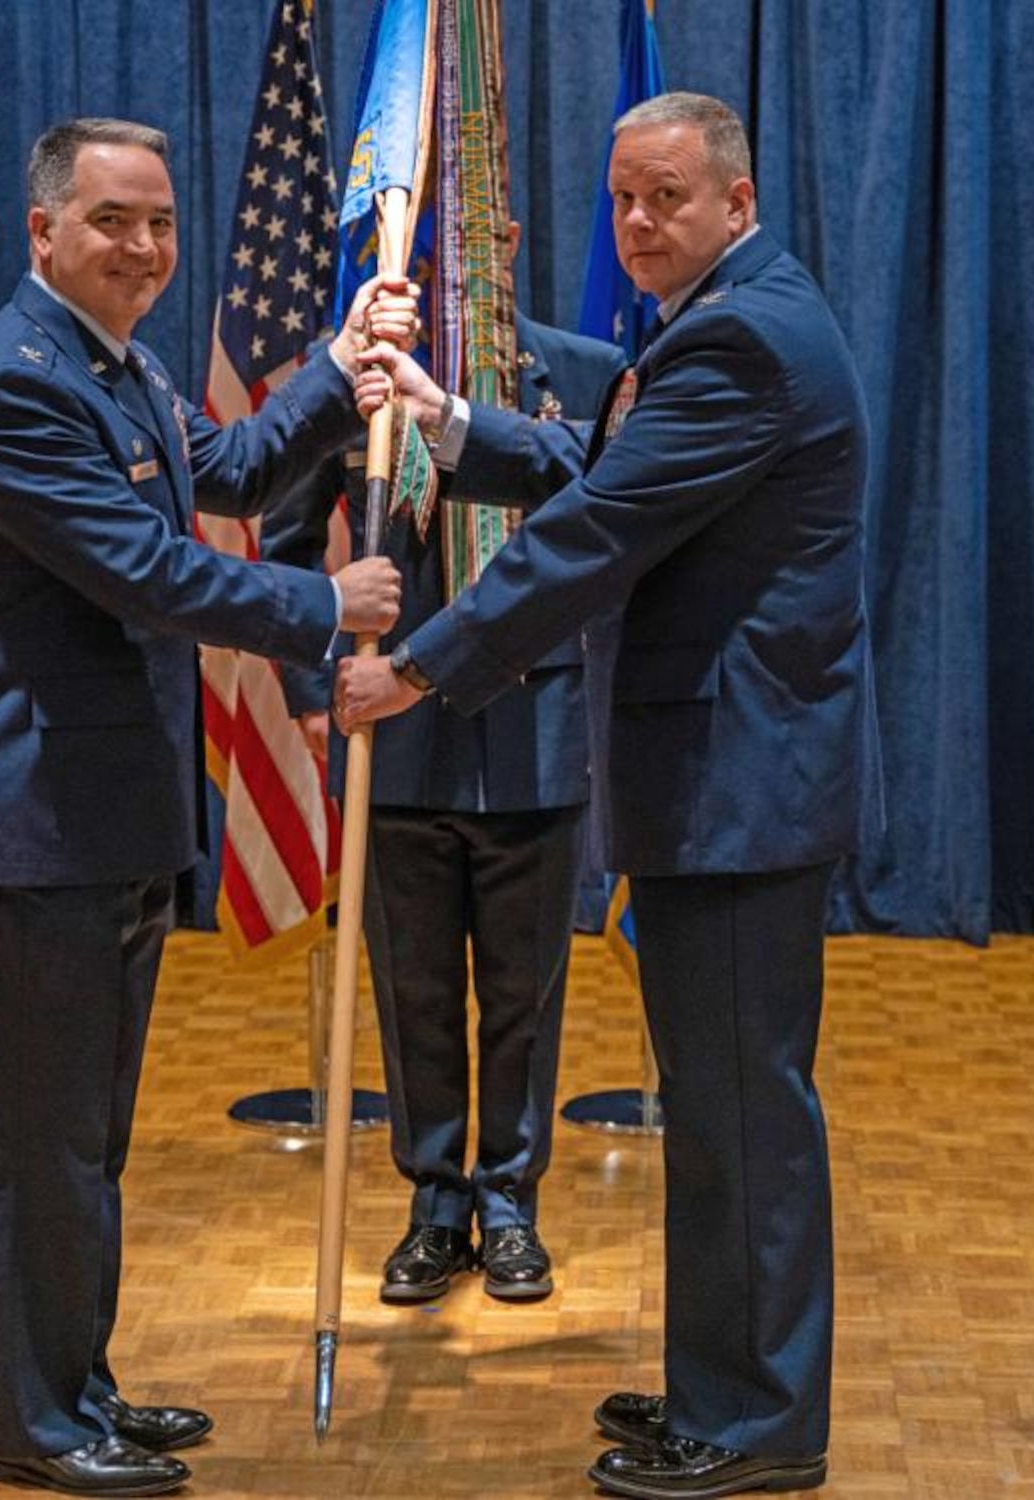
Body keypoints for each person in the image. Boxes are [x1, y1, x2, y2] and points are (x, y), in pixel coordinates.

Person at [335, 92, 875, 1500]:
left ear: (737, 200)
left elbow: (594, 533)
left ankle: (758, 1427)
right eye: (624, 198)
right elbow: (604, 469)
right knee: (714, 1109)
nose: (639, 224)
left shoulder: (742, 335)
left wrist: (425, 668)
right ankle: (721, 1385)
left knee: (744, 1115)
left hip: (738, 783)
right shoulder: (719, 317)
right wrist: (453, 423)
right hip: (721, 779)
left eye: (669, 200)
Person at [0, 117, 409, 1498]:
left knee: (83, 1137)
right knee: (44, 1138)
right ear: (44, 232)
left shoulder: (106, 371)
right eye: (114, 221)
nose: (143, 249)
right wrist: (329, 605)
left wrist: (344, 358)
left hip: (102, 818)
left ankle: (69, 1382)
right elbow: (151, 573)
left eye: (160, 224)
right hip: (35, 821)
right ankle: (29, 1421)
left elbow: (231, 472)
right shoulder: (18, 387)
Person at [261, 251, 624, 1306]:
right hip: (392, 732)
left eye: (473, 245)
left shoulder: (584, 373)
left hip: (536, 723)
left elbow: (609, 528)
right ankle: (433, 1201)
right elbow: (289, 540)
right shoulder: (361, 379)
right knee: (413, 986)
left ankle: (509, 1200)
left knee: (523, 988)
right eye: (426, 259)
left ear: (506, 241)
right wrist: (312, 690)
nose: (455, 270)